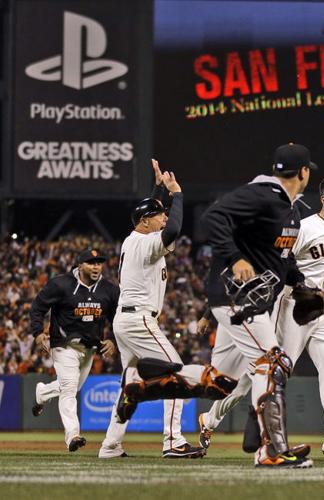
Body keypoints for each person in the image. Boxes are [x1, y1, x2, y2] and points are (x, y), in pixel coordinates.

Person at [198, 175, 324, 461]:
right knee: (271, 372)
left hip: (322, 312)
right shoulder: (305, 227)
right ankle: (213, 418)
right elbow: (281, 261)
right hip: (293, 306)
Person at [99, 160, 236, 459]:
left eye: (162, 212)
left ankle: (110, 444)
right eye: (157, 215)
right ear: (146, 221)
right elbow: (172, 228)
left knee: (130, 382)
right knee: (177, 373)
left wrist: (159, 188)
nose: (163, 217)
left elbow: (150, 215)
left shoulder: (135, 238)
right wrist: (178, 195)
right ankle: (172, 440)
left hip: (129, 319)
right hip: (138, 319)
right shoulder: (146, 241)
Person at [198, 143, 318, 468]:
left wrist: (299, 282)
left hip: (254, 300)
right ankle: (271, 451)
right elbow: (214, 216)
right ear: (304, 172)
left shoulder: (288, 207)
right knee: (272, 365)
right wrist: (235, 257)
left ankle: (145, 383)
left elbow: (280, 256)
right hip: (238, 297)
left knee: (227, 377)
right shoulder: (262, 194)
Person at [29, 248, 119, 452]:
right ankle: (73, 435)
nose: (96, 266)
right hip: (63, 345)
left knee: (71, 387)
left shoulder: (109, 289)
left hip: (89, 349)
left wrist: (113, 339)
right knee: (69, 389)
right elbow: (37, 307)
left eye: (99, 262)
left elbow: (118, 318)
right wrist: (37, 333)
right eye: (91, 262)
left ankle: (43, 392)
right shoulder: (61, 284)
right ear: (80, 265)